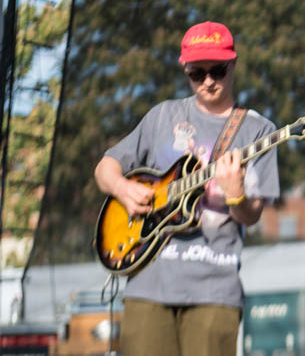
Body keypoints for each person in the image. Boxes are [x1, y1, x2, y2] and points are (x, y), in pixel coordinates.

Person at [94, 21, 279, 356]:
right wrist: (123, 188)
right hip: (148, 281)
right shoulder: (162, 116)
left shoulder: (258, 130)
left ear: (233, 64)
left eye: (218, 71)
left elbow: (251, 216)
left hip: (214, 289)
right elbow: (105, 168)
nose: (208, 81)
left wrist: (236, 194)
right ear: (185, 69)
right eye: (198, 73)